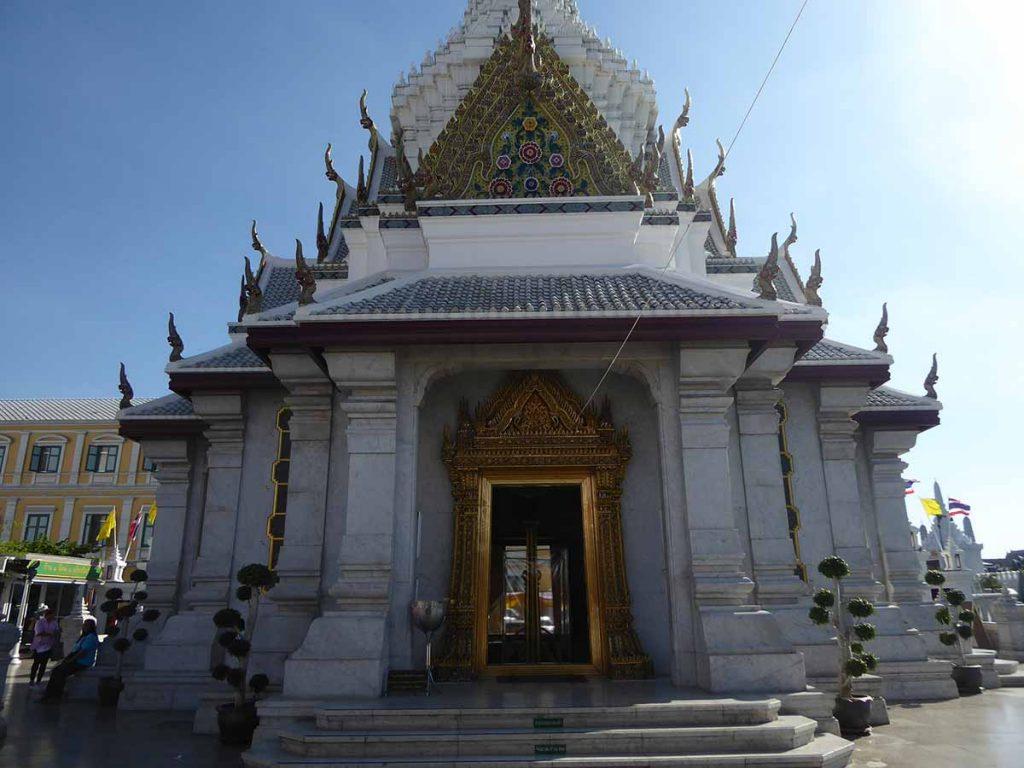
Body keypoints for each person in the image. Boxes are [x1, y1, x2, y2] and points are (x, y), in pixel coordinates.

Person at [41, 619, 99, 702]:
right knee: (56, 670)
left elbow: (82, 652)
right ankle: (49, 694)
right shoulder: (84, 636)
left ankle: (56, 695)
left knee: (61, 672)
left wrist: (70, 660)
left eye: (86, 625)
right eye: (84, 625)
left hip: (82, 662)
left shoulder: (91, 637)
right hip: (76, 660)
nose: (83, 627)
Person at [29, 608, 59, 685]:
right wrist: (50, 634)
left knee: (43, 664)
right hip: (39, 645)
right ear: (47, 615)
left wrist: (51, 634)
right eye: (51, 616)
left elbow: (56, 631)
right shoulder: (40, 622)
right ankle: (32, 679)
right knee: (36, 663)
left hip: (48, 645)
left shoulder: (54, 623)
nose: (52, 617)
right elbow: (39, 633)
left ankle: (39, 680)